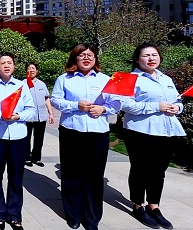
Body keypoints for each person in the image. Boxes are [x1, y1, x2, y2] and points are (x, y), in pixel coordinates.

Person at [51, 43, 121, 230]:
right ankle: (73, 214)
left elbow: (116, 102)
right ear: (75, 58)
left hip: (98, 133)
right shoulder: (64, 79)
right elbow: (55, 100)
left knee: (94, 176)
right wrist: (76, 105)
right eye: (82, 55)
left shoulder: (106, 79)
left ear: (95, 58)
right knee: (71, 174)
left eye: (90, 55)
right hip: (71, 131)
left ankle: (92, 218)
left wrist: (104, 108)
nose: (86, 58)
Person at [121, 43, 186, 229]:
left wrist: (177, 108)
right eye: (146, 55)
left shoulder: (166, 78)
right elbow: (125, 105)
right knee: (140, 169)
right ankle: (138, 205)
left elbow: (178, 100)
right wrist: (155, 107)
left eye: (155, 55)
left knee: (159, 171)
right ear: (136, 59)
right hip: (139, 130)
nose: (151, 58)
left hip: (166, 131)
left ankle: (154, 206)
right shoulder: (130, 78)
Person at [0, 52, 36, 230]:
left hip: (18, 136)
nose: (6, 65)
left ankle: (14, 215)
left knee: (16, 177)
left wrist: (18, 116)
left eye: (9, 62)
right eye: (3, 62)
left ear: (14, 66)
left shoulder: (22, 86)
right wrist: (0, 115)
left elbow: (31, 111)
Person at [24, 62, 54, 167]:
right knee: (26, 138)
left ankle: (36, 158)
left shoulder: (42, 84)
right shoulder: (23, 84)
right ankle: (26, 157)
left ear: (37, 71)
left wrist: (51, 113)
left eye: (33, 68)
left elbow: (46, 99)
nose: (31, 70)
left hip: (41, 116)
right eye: (29, 68)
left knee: (39, 138)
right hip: (27, 116)